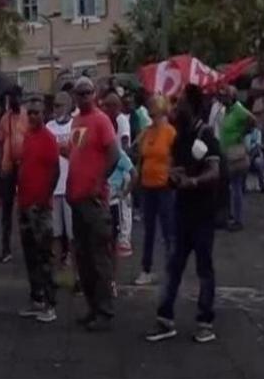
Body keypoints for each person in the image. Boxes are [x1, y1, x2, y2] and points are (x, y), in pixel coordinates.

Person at [145, 85, 223, 344]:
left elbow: (214, 171)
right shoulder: (179, 138)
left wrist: (193, 182)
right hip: (182, 212)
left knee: (204, 268)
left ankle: (205, 322)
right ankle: (164, 319)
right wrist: (173, 178)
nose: (176, 108)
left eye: (181, 103)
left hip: (203, 214)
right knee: (174, 266)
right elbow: (176, 168)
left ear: (194, 106)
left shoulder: (206, 135)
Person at [66, 76, 120, 332]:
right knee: (84, 257)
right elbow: (75, 154)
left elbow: (114, 153)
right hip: (77, 198)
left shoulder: (101, 120)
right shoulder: (77, 121)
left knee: (99, 258)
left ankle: (105, 310)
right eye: (80, 93)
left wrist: (100, 182)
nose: (84, 97)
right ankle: (92, 307)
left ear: (94, 94)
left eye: (87, 93)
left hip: (94, 200)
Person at [16, 96, 61, 323]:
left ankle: (50, 304)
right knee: (30, 255)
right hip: (24, 204)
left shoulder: (49, 139)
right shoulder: (28, 138)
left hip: (40, 207)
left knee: (45, 256)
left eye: (37, 112)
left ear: (44, 114)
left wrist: (44, 199)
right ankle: (37, 300)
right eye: (30, 112)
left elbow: (55, 171)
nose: (33, 116)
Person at [135, 96, 177, 286]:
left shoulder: (170, 132)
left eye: (154, 109)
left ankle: (172, 268)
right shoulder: (146, 132)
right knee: (149, 230)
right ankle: (146, 269)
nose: (151, 112)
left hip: (164, 187)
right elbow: (140, 156)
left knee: (168, 230)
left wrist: (173, 177)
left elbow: (176, 158)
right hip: (147, 186)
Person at [0, 86, 28, 265]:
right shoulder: (4, 119)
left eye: (16, 97)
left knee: (25, 207)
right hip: (8, 167)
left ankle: (27, 245)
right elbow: (1, 144)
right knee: (6, 209)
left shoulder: (26, 116)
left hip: (24, 166)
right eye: (11, 97)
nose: (13, 100)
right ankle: (5, 248)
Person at [217, 85, 254, 230]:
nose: (223, 98)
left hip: (235, 154)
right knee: (232, 187)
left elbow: (252, 120)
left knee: (236, 187)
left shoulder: (238, 109)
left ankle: (238, 219)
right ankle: (232, 216)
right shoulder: (227, 111)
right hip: (228, 152)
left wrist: (242, 133)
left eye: (225, 95)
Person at [102, 93, 134, 257]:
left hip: (122, 164)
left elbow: (125, 142)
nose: (105, 108)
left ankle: (125, 238)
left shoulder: (121, 120)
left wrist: (122, 161)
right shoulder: (108, 120)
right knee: (115, 205)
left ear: (115, 106)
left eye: (108, 106)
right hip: (113, 163)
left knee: (124, 204)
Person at [46, 93, 76, 273]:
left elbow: (79, 154)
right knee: (56, 232)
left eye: (60, 105)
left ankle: (74, 270)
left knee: (72, 233)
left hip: (70, 187)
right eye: (55, 106)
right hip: (53, 187)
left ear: (69, 106)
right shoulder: (48, 127)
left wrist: (66, 152)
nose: (57, 109)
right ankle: (57, 269)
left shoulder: (76, 125)